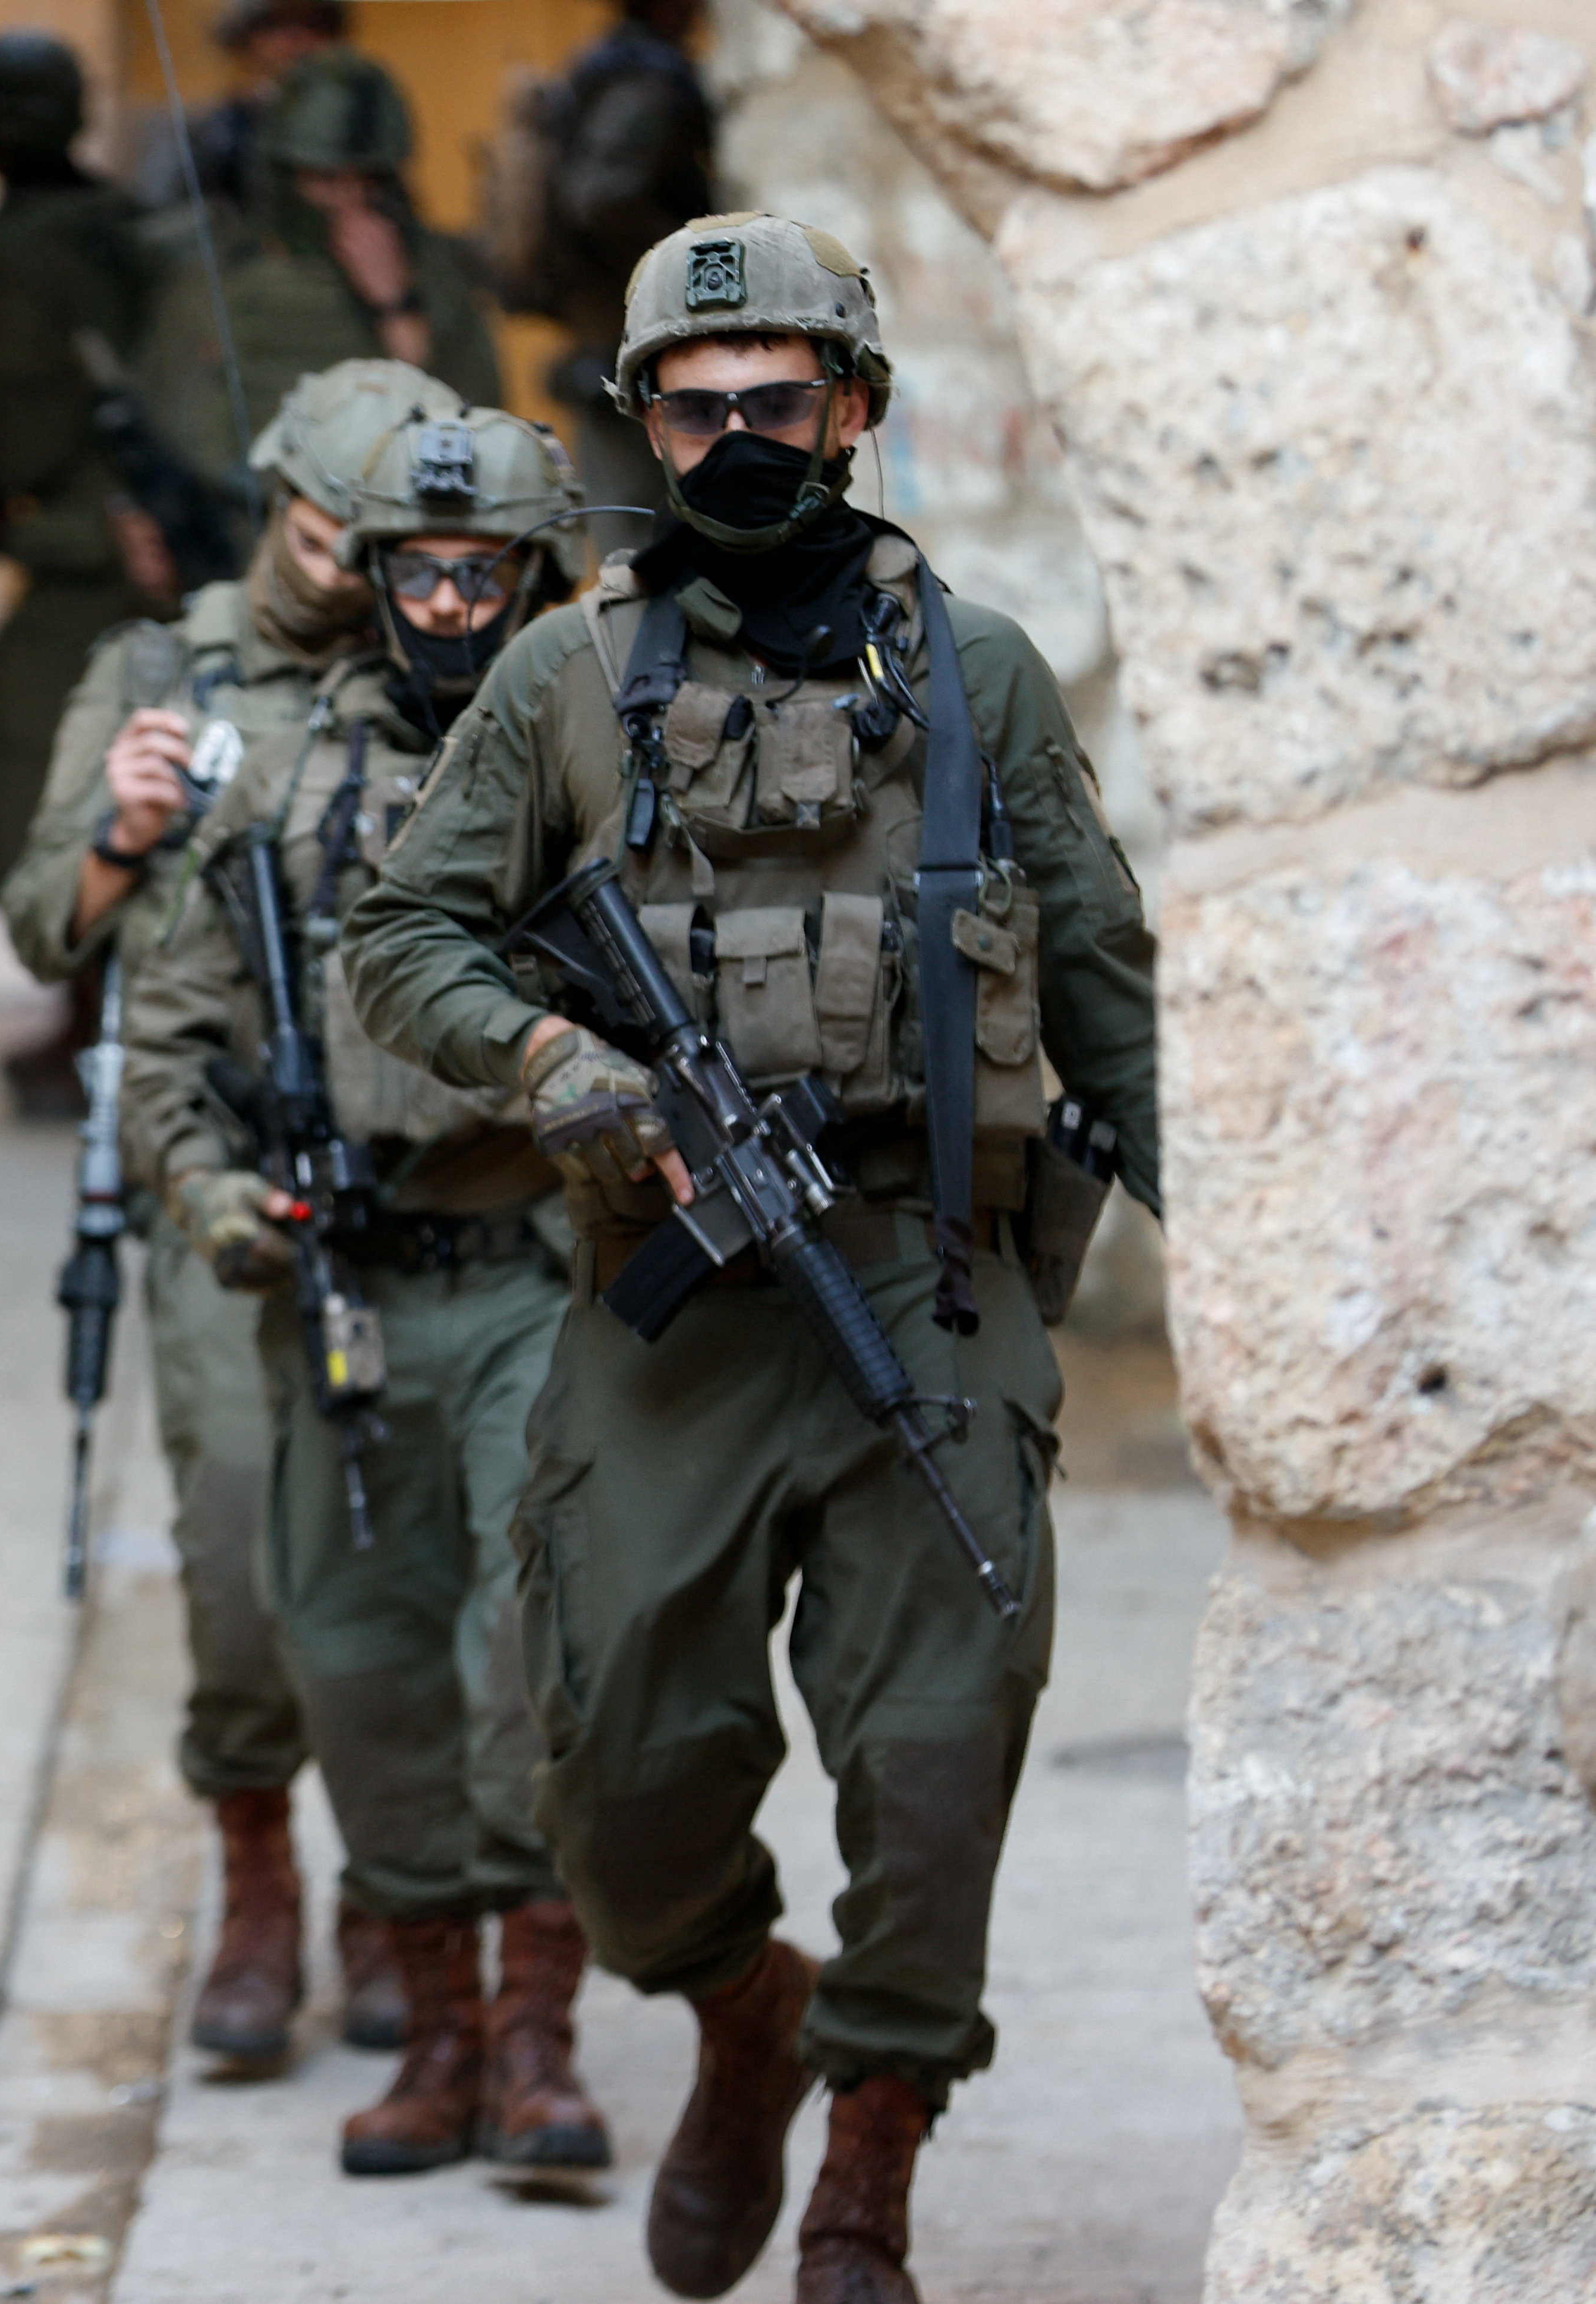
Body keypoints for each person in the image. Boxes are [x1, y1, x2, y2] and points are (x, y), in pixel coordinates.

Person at [339, 213, 1161, 2303]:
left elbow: (1098, 980)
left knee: (937, 1736)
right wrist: (550, 1062)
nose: (726, 439)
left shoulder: (968, 672)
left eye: (770, 401)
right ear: (638, 421)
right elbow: (403, 932)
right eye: (686, 406)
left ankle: (869, 2139)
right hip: (672, 1285)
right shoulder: (557, 676)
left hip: (919, 1274)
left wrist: (1224, 1247)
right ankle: (735, 2006)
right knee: (608, 1766)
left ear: (851, 411)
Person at [115, 363, 610, 2178]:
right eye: (418, 571)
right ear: (373, 573)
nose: (450, 610)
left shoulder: (595, 769)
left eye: (488, 575)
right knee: (351, 1653)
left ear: (538, 581)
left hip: (539, 1267)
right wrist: (210, 1194)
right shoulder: (282, 785)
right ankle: (441, 2023)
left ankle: (542, 2026)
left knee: (532, 1643)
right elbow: (166, 1040)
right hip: (335, 1285)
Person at [0, 357, 381, 2073]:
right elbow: (39, 928)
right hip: (210, 1164)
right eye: (327, 531)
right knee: (237, 1553)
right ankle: (256, 1876)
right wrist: (120, 828)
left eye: (400, 539)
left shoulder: (466, 659)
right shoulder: (163, 667)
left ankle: (403, 1896)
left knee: (410, 1559)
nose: (362, 569)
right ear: (277, 500)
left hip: (418, 1171)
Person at [0, 30, 171, 947]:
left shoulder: (36, 244)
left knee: (12, 783)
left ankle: (88, 997)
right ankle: (83, 998)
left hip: (95, 548)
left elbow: (25, 435)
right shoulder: (110, 218)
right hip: (100, 538)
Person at [140, 50, 505, 501]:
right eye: (325, 180)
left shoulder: (430, 272)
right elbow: (170, 426)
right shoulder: (212, 269)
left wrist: (396, 307)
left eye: (369, 181)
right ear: (283, 174)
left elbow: (475, 429)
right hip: (241, 525)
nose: (349, 202)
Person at [479, 0, 714, 545]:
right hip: (635, 337)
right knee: (645, 542)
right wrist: (693, 255)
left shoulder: (603, 72)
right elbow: (603, 199)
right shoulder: (646, 80)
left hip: (615, 339)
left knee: (631, 533)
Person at [185, 0, 347, 215]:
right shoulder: (219, 127)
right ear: (246, 37)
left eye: (315, 24)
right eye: (273, 24)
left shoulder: (353, 119)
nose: (296, 37)